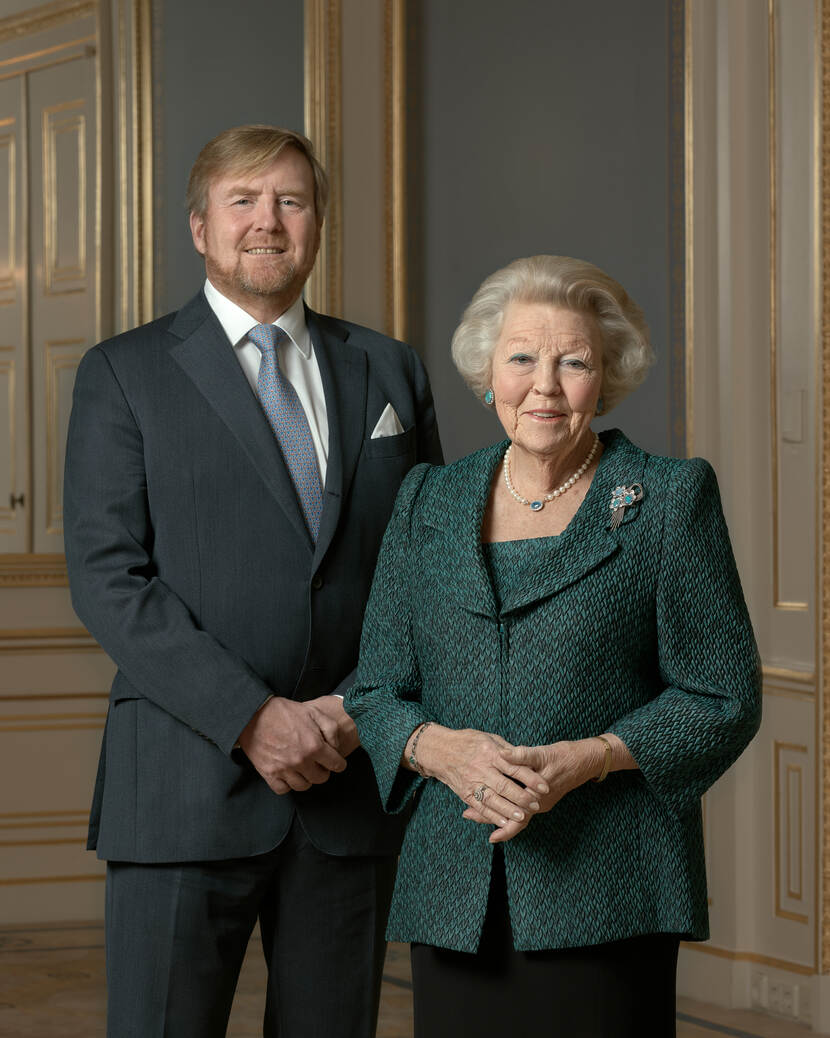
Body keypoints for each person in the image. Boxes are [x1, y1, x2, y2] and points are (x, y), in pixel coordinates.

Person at [63, 124, 442, 1038]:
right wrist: (252, 718)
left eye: (291, 201)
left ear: (317, 225)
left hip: (349, 789)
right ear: (199, 227)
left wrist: (358, 712)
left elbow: (430, 568)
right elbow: (109, 578)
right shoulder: (124, 372)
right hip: (184, 788)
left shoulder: (388, 368)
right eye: (243, 200)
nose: (267, 222)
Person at [345, 255, 761, 1038]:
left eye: (573, 361)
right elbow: (375, 690)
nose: (545, 384)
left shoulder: (669, 498)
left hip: (608, 888)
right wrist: (439, 750)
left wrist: (592, 756)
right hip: (455, 889)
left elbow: (723, 698)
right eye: (522, 358)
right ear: (487, 373)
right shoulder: (427, 501)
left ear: (604, 378)